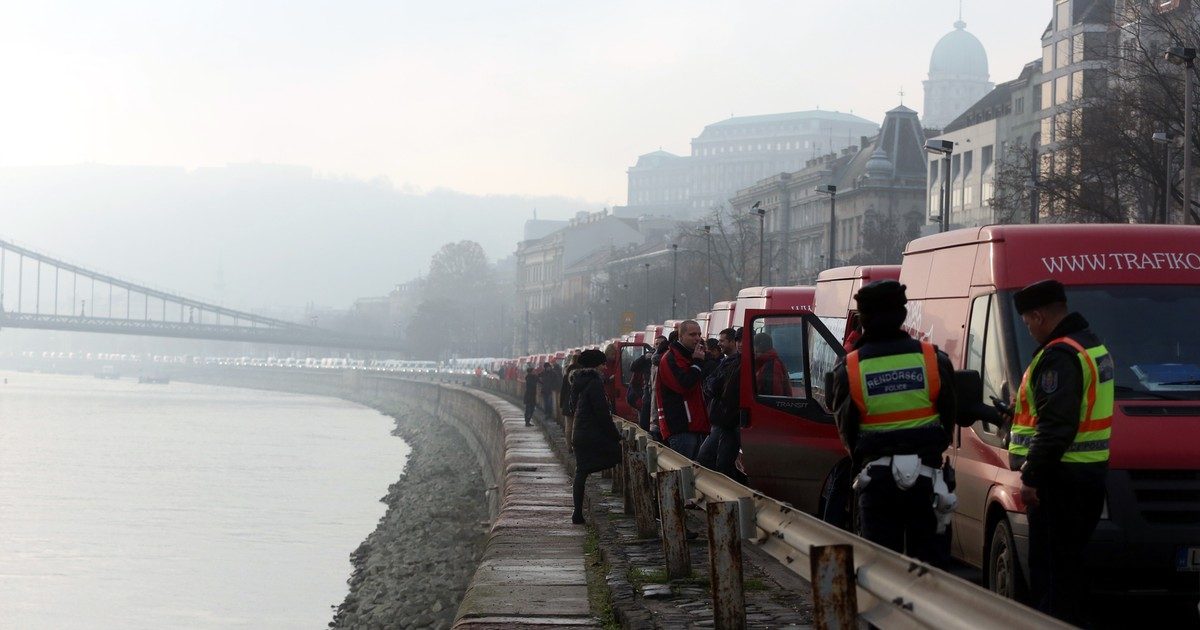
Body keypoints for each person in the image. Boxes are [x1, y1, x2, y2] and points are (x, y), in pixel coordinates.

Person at [828, 280, 960, 565]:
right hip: (928, 483)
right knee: (932, 573)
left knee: (880, 569)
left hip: (877, 485)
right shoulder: (933, 360)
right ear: (902, 315)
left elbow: (847, 432)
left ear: (863, 320)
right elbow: (949, 418)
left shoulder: (848, 368)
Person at [1007, 279, 1111, 625]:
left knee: (1050, 578)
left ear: (1038, 316)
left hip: (1059, 483)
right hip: (1086, 479)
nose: (1029, 330)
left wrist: (1032, 476)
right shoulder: (1090, 345)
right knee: (1069, 574)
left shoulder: (1058, 355)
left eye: (1027, 323)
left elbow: (1056, 426)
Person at [568, 348, 621, 525]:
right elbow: (602, 413)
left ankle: (577, 512)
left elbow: (572, 406)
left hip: (579, 433)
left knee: (581, 472)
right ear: (596, 365)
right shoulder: (595, 382)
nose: (606, 367)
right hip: (592, 434)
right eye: (603, 364)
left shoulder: (578, 381)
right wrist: (615, 435)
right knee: (619, 455)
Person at [656, 320, 711, 459]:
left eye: (699, 334)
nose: (697, 338)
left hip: (695, 425)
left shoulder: (690, 356)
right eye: (692, 334)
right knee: (685, 472)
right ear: (680, 337)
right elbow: (684, 385)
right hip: (680, 426)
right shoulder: (670, 358)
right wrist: (697, 363)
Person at [698, 327, 746, 483]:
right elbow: (711, 384)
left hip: (734, 419)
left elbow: (717, 387)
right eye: (738, 340)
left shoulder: (746, 363)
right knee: (721, 462)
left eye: (742, 340)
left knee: (716, 459)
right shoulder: (730, 362)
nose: (740, 344)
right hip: (725, 420)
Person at [642, 335, 668, 438]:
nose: (658, 346)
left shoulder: (665, 360)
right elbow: (634, 366)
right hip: (650, 398)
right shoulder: (652, 358)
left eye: (660, 344)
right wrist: (644, 356)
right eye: (656, 344)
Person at [559, 352, 581, 450]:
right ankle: (575, 445)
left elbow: (563, 391)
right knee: (576, 426)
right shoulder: (581, 373)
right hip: (578, 402)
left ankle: (568, 446)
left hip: (567, 403)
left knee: (568, 425)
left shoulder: (566, 374)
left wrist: (561, 403)